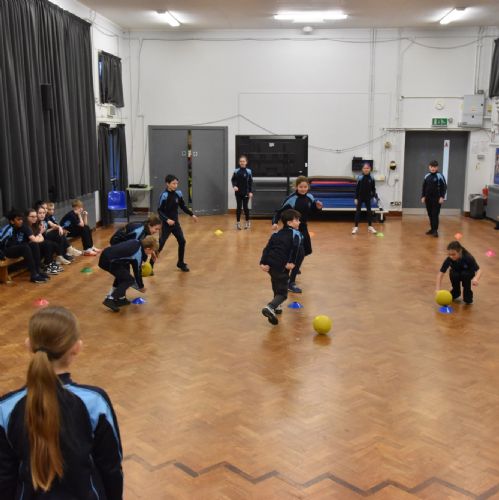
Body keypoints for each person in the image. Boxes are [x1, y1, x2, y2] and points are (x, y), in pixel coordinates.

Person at [0, 306, 123, 499]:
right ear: (77, 347)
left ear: (29, 345)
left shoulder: (6, 408)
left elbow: (4, 476)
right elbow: (111, 467)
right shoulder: (94, 402)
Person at [271, 176, 322, 293]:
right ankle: (290, 282)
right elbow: (279, 212)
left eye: (305, 187)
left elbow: (313, 211)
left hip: (303, 227)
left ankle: (295, 265)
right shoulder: (291, 199)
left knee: (307, 250)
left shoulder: (310, 197)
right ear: (296, 187)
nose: (303, 189)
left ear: (308, 187)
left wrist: (318, 208)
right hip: (292, 230)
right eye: (301, 187)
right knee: (298, 253)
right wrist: (274, 222)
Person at [260, 209, 303, 325]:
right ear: (289, 223)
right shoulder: (297, 234)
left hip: (270, 264)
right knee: (283, 293)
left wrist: (262, 262)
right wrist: (292, 262)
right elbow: (296, 249)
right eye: (297, 220)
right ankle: (270, 307)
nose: (299, 222)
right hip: (281, 265)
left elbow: (267, 248)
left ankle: (277, 308)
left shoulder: (276, 234)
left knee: (276, 284)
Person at [98, 235, 159, 312]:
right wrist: (141, 286)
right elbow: (137, 271)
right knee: (129, 280)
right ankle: (110, 299)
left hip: (107, 256)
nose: (151, 253)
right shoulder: (138, 254)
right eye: (151, 251)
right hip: (108, 261)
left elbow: (134, 261)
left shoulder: (136, 242)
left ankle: (120, 299)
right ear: (147, 248)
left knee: (123, 275)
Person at [158, 174, 198, 272]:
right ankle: (150, 263)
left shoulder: (178, 194)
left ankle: (180, 263)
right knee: (161, 244)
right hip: (166, 224)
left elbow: (183, 206)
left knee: (182, 241)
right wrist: (167, 220)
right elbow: (159, 211)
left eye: (177, 183)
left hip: (175, 224)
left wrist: (192, 214)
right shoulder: (164, 195)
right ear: (167, 184)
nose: (176, 185)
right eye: (173, 183)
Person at [0, 209, 48, 283]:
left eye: (21, 219)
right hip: (6, 251)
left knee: (33, 244)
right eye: (18, 220)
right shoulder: (8, 229)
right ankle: (34, 275)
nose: (21, 221)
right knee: (25, 247)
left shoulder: (18, 227)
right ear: (12, 221)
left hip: (16, 248)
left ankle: (38, 270)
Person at [27, 208, 62, 275]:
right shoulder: (28, 226)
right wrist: (39, 235)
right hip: (30, 245)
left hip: (36, 243)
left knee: (51, 244)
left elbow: (41, 237)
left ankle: (49, 263)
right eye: (39, 213)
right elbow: (33, 239)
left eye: (43, 213)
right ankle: (47, 264)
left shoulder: (37, 224)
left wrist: (39, 236)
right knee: (47, 244)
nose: (42, 215)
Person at [421, 160, 447, 237]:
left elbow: (444, 187)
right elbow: (424, 187)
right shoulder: (426, 176)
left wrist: (442, 197)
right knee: (430, 214)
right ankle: (432, 229)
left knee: (435, 214)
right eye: (431, 167)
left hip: (437, 199)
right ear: (429, 167)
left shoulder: (440, 176)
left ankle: (435, 231)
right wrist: (423, 196)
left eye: (435, 167)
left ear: (437, 167)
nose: (433, 168)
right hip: (428, 199)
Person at [352, 163, 377, 234]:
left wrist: (374, 196)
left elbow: (373, 189)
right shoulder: (360, 177)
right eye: (364, 168)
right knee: (358, 212)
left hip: (368, 197)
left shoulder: (372, 178)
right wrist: (356, 198)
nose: (366, 169)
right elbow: (357, 189)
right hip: (360, 197)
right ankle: (356, 227)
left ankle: (370, 227)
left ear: (370, 169)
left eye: (367, 168)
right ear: (362, 169)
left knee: (369, 212)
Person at [231, 155, 253, 229]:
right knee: (239, 207)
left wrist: (250, 192)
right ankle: (238, 223)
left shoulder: (249, 171)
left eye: (243, 161)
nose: (242, 162)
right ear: (239, 162)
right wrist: (234, 186)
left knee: (245, 207)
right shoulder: (236, 171)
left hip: (246, 192)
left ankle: (247, 222)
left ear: (246, 162)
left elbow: (250, 182)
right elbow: (233, 180)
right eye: (240, 161)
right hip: (238, 193)